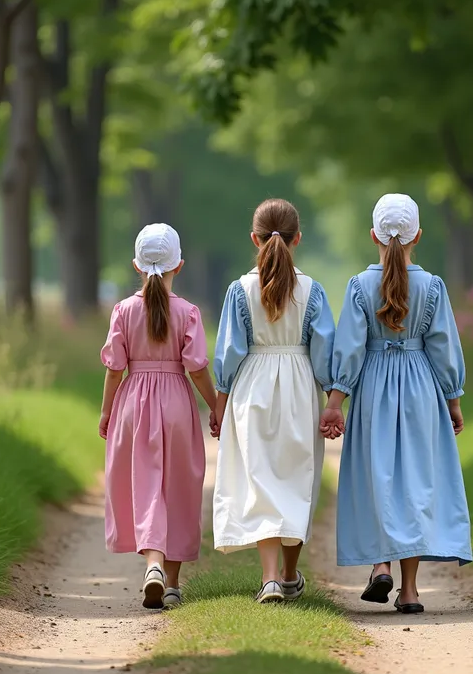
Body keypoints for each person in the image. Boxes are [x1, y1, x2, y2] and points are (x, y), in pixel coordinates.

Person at [320, 194, 472, 613]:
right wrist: (453, 400)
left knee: (377, 476)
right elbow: (444, 347)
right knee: (415, 483)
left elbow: (350, 349)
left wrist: (335, 401)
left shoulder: (359, 286)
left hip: (373, 388)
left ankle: (380, 564)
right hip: (421, 387)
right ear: (417, 236)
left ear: (373, 236)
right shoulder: (432, 286)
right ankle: (409, 590)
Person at [213, 198, 336, 603]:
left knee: (260, 478)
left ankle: (268, 578)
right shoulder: (312, 290)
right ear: (298, 238)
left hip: (253, 386)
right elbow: (325, 351)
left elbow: (230, 351)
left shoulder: (239, 290)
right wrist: (332, 397)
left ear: (255, 238)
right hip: (299, 386)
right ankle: (289, 573)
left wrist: (220, 402)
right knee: (297, 479)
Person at [99, 223, 218, 610]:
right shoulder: (188, 312)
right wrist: (216, 406)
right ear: (178, 266)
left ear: (136, 265)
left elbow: (114, 369)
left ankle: (152, 562)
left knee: (145, 483)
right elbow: (197, 368)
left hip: (134, 403)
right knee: (179, 485)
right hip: (176, 404)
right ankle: (171, 580)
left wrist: (106, 411)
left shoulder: (123, 310)